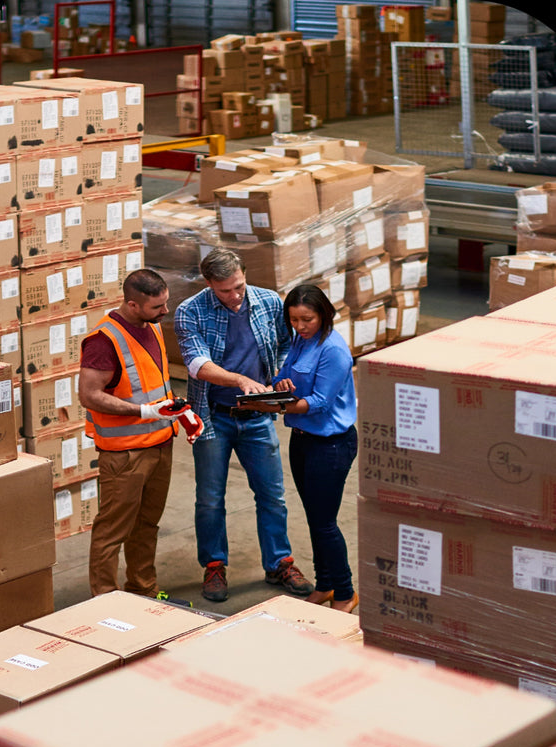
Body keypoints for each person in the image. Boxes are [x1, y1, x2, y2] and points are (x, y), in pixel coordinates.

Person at [173, 248, 313, 603]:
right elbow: (196, 362)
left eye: (239, 286)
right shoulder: (191, 311)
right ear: (209, 285)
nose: (235, 296)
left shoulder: (268, 302)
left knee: (272, 495)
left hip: (258, 417)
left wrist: (280, 377)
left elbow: (286, 346)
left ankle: (279, 562)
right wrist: (239, 381)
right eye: (225, 291)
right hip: (214, 416)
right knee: (209, 498)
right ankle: (215, 565)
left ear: (244, 275)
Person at [79, 268, 204, 598]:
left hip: (161, 444)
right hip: (126, 454)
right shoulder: (103, 340)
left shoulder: (153, 326)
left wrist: (182, 414)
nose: (165, 312)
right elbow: (89, 394)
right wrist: (144, 412)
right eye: (157, 307)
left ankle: (144, 592)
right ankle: (105, 600)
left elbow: (153, 385)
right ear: (132, 304)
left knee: (146, 527)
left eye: (165, 303)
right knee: (113, 530)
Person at [273, 284, 359, 613]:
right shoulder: (300, 340)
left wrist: (277, 407)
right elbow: (285, 375)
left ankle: (346, 592)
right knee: (314, 518)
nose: (300, 326)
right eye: (294, 320)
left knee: (325, 522)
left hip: (331, 444)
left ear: (323, 314)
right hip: (303, 440)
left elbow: (321, 403)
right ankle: (325, 584)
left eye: (306, 319)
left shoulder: (333, 349)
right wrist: (280, 385)